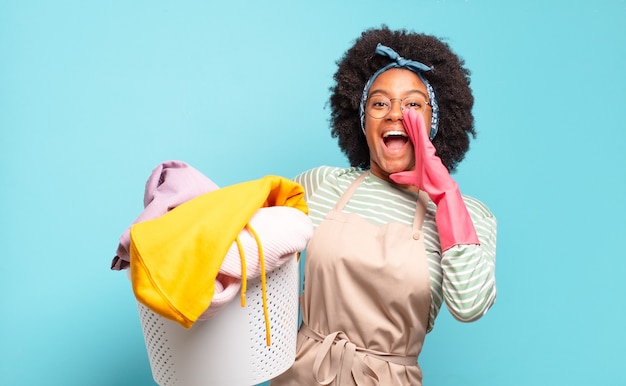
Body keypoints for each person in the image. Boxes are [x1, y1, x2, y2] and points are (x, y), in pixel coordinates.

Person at [271, 25, 497, 385]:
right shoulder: (320, 184)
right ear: (362, 120)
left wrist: (445, 195)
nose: (395, 114)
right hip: (300, 375)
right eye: (379, 102)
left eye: (412, 104)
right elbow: (248, 255)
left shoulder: (468, 215)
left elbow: (469, 306)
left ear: (434, 122)